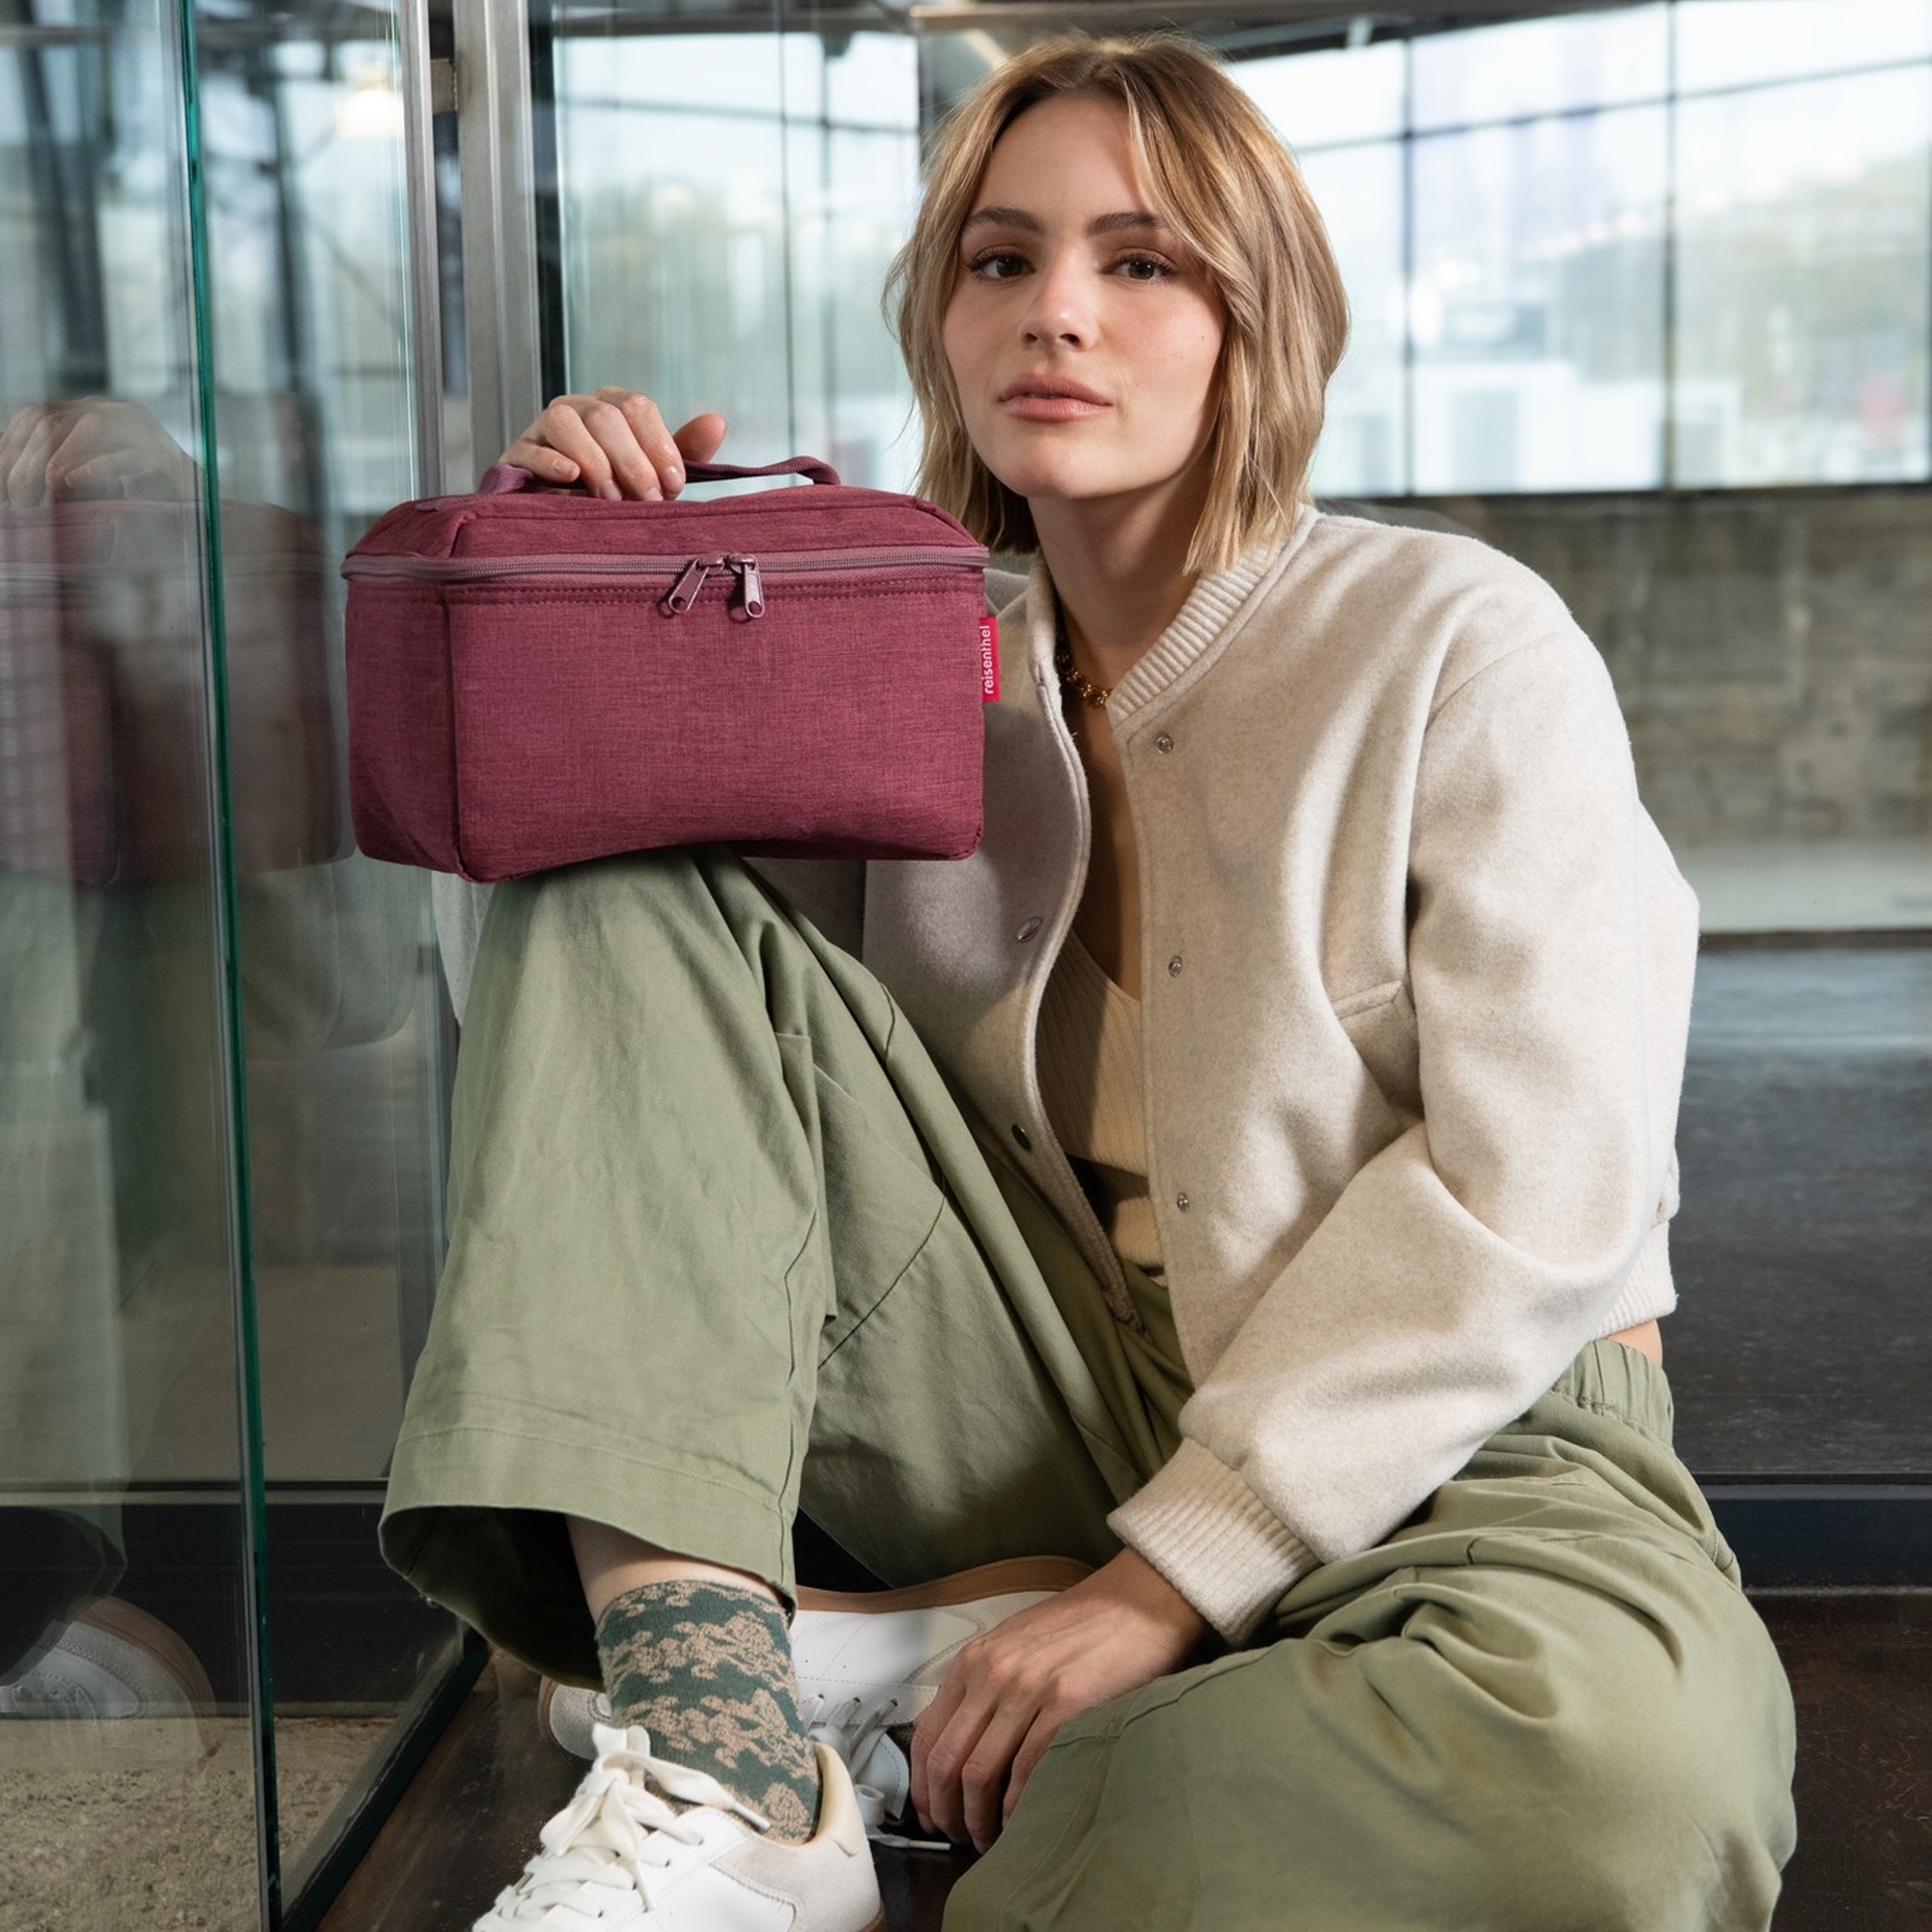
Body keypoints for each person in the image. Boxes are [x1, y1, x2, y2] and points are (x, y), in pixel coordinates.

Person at [378, 32, 1798, 1931]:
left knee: (1632, 1794)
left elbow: (1547, 1188)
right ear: (942, 319)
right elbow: (606, 1034)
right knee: (614, 867)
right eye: (1001, 257)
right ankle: (728, 1760)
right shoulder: (890, 660)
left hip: (1473, 1437)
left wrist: (1161, 1582)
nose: (1056, 309)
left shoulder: (1457, 639)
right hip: (1036, 1391)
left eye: (1141, 261)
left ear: (1254, 321)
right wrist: (574, 588)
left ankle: (967, 1711)